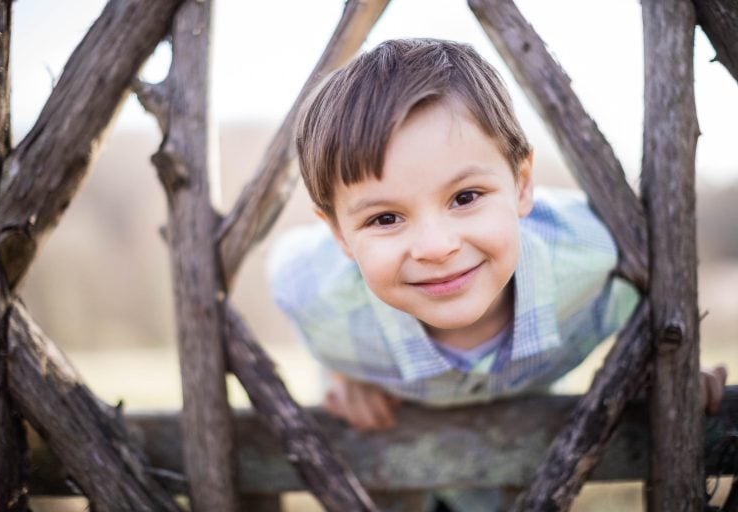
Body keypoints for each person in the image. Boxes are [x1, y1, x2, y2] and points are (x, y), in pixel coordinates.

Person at [267, 38, 727, 510]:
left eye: (465, 197)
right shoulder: (317, 298)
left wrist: (667, 365)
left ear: (522, 185)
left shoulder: (594, 258)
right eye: (385, 218)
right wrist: (340, 373)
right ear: (341, 237)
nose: (437, 247)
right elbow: (285, 267)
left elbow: (658, 300)